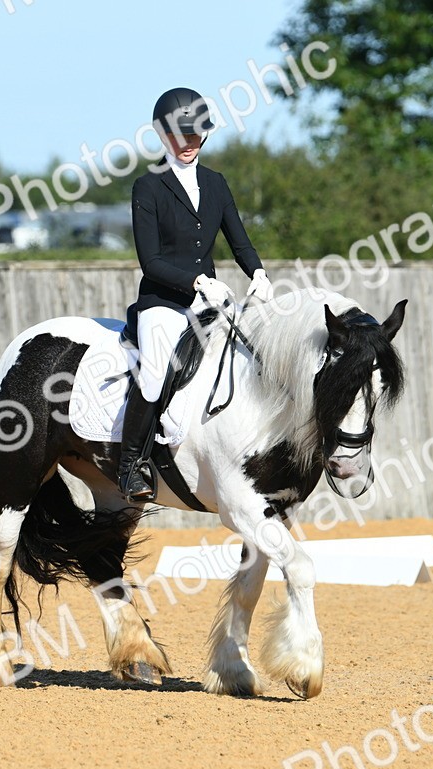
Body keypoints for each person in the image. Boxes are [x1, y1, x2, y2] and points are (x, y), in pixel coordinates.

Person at [119, 87, 272, 502]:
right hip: (163, 302)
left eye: (194, 136)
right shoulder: (147, 187)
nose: (186, 145)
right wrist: (196, 282)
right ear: (162, 136)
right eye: (177, 137)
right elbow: (150, 262)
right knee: (154, 371)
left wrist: (257, 271)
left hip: (211, 302)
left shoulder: (216, 184)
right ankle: (131, 464)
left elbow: (239, 242)